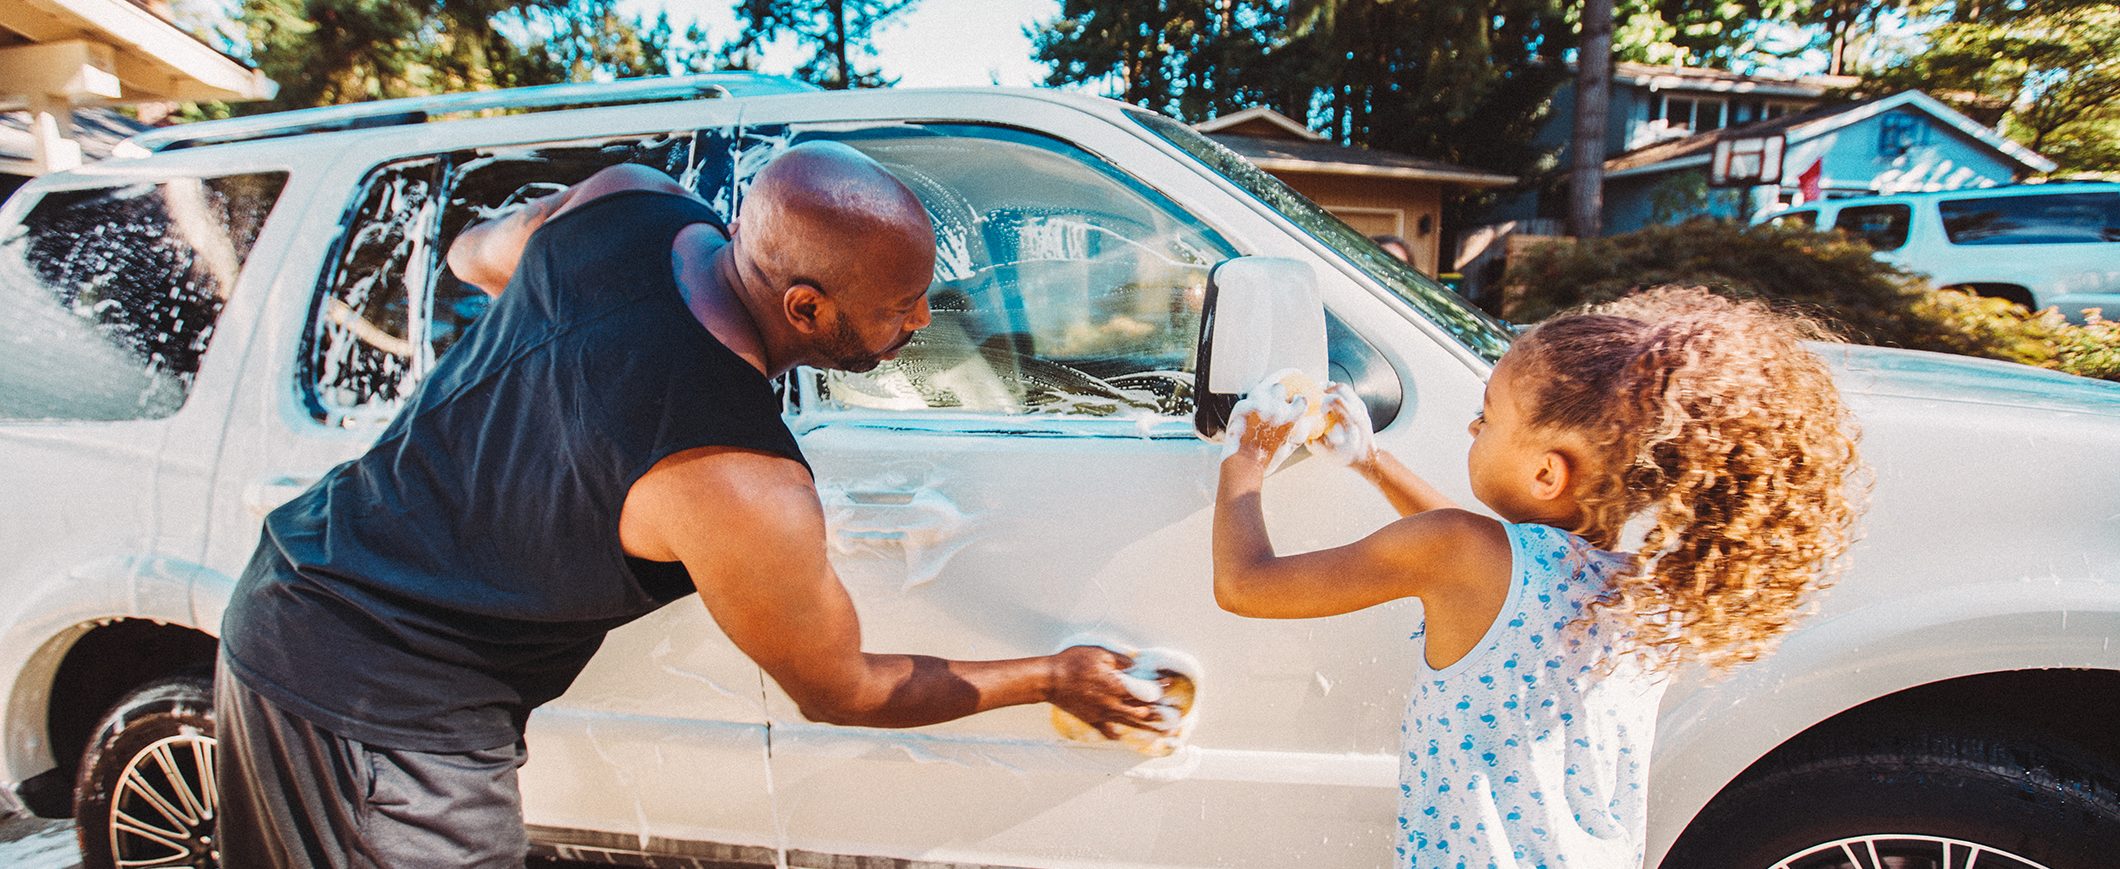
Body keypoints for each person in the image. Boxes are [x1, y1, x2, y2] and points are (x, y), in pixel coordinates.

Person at [215, 142, 1167, 867]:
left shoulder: (625, 202)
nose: (924, 321)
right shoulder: (737, 478)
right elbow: (844, 688)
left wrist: (540, 296)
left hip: (297, 590)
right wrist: (1053, 675)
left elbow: (477, 255)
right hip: (379, 715)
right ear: (802, 308)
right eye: (901, 305)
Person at [1211, 286, 1862, 867]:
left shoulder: (1462, 555)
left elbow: (1243, 584)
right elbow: (1486, 552)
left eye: (1488, 416)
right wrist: (1373, 462)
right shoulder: (1651, 595)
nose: (1473, 424)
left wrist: (1246, 454)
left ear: (1547, 473)